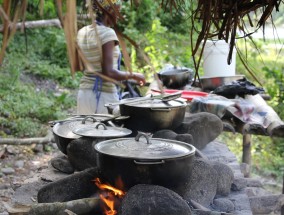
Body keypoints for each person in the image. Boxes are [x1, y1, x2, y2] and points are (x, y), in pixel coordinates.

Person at [76, 0, 146, 114]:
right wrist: (134, 75)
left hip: (84, 95)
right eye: (118, 11)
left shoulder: (82, 32)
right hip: (104, 97)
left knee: (86, 131)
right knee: (106, 131)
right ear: (109, 11)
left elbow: (85, 66)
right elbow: (108, 73)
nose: (119, 15)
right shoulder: (108, 33)